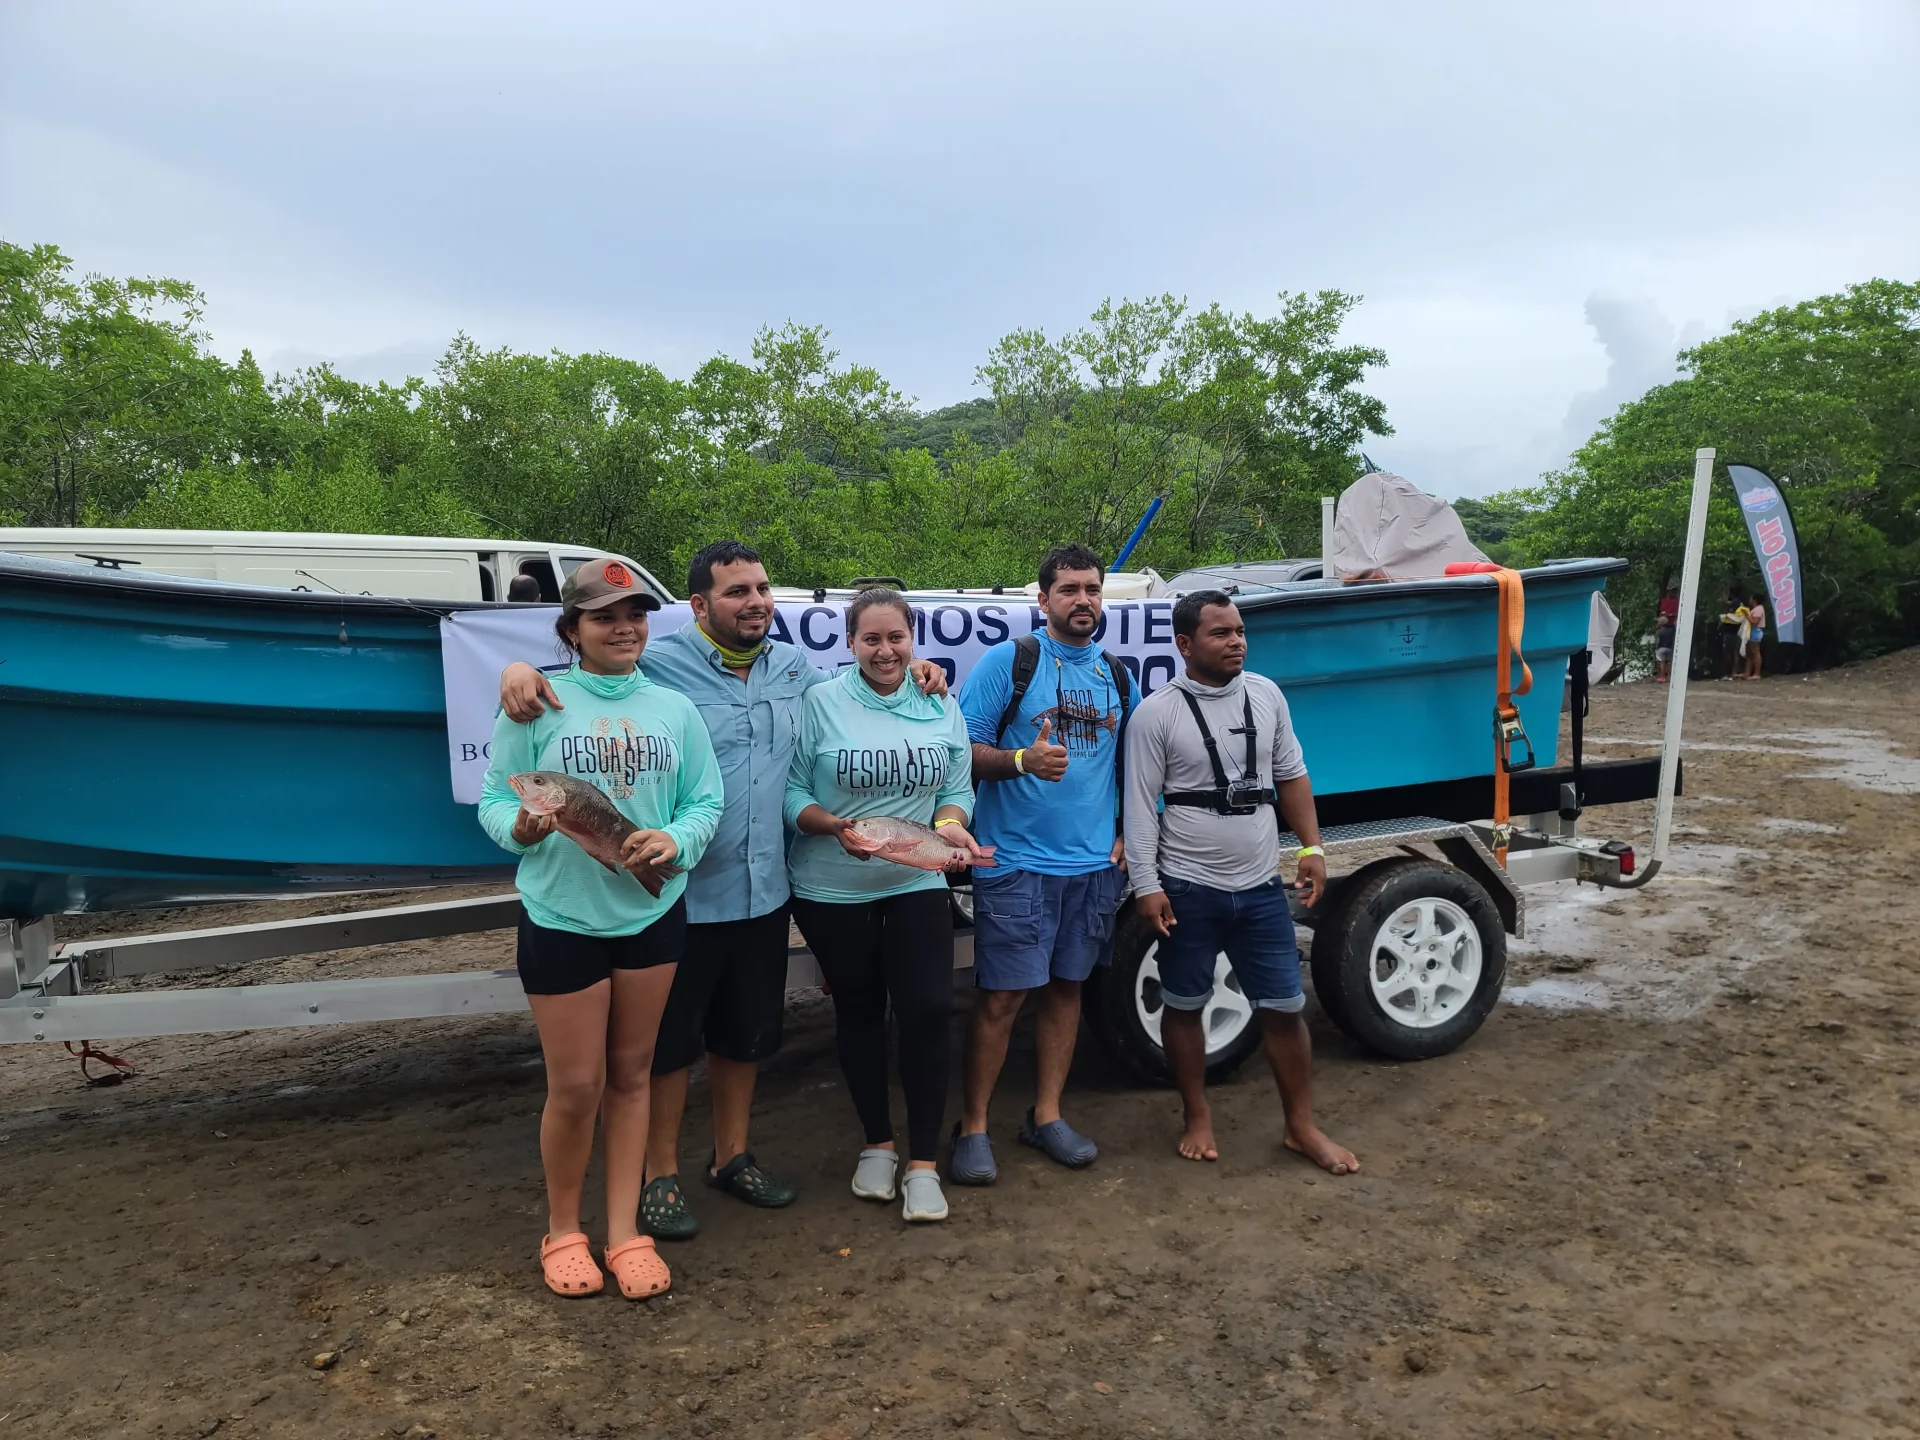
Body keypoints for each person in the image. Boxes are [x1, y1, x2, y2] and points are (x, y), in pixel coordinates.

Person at [497, 541, 948, 1242]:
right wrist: (519, 670)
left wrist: (918, 669)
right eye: (737, 591)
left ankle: (732, 1156)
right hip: (680, 894)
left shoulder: (797, 670)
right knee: (669, 1048)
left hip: (764, 891)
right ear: (700, 605)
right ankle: (659, 1175)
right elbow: (588, 677)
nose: (756, 601)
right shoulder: (658, 666)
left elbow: (865, 688)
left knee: (746, 1037)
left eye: (762, 588)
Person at [478, 557, 724, 1300]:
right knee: (576, 1086)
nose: (623, 628)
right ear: (573, 629)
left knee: (631, 1077)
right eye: (604, 617)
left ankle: (625, 1233)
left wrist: (676, 841)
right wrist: (520, 828)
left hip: (651, 915)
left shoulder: (675, 709)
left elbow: (704, 802)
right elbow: (494, 800)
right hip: (562, 919)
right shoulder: (537, 705)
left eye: (635, 615)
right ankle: (563, 1231)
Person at [1122, 590, 1358, 1175]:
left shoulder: (1267, 695)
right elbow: (1139, 808)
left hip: (1259, 886)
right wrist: (1147, 886)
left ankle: (1301, 1127)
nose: (1236, 642)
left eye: (1240, 631)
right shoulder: (1157, 713)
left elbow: (1292, 776)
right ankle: (1196, 1113)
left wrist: (1312, 848)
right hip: (1187, 887)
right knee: (1183, 1005)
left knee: (1283, 1007)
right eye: (1220, 634)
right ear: (1184, 644)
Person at [783, 589, 986, 1224]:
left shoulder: (937, 699)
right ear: (849, 644)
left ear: (913, 638)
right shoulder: (821, 702)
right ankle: (878, 1143)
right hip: (831, 888)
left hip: (915, 880)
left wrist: (950, 825)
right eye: (870, 639)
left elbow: (956, 787)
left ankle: (923, 1163)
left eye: (895, 638)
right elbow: (791, 793)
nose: (884, 650)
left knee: (928, 1010)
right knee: (861, 1013)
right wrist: (833, 826)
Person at [950, 544, 1131, 1183]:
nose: (1083, 600)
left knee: (1066, 992)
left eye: (1092, 589)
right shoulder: (1010, 662)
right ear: (1043, 599)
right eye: (1069, 590)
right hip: (1017, 862)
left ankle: (1046, 1115)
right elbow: (961, 750)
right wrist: (1022, 761)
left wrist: (1127, 832)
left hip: (1090, 867)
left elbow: (1130, 766)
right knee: (1002, 999)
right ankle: (972, 1126)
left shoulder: (1116, 672)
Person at [1716, 593, 1745, 680]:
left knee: (1730, 653)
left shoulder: (1736, 604)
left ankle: (1730, 673)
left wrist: (1725, 617)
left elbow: (1733, 617)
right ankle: (1733, 672)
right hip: (1735, 632)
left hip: (1731, 632)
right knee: (1734, 653)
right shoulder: (1739, 604)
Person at [1654, 585, 1678, 683]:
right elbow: (1662, 613)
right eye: (1672, 591)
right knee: (1665, 659)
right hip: (1666, 625)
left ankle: (1665, 676)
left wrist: (1670, 615)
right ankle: (1665, 676)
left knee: (1664, 660)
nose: (1674, 593)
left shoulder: (1677, 601)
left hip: (1673, 625)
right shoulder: (1664, 601)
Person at [1743, 594, 1767, 680]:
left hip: (1755, 631)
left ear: (1754, 600)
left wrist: (1747, 616)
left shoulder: (1758, 609)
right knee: (1749, 653)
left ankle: (1757, 673)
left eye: (1751, 598)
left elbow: (1755, 622)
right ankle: (1747, 673)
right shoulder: (1756, 609)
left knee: (1755, 652)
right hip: (1751, 631)